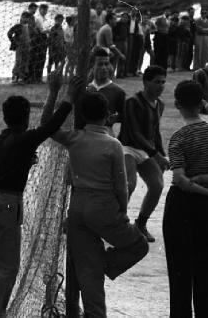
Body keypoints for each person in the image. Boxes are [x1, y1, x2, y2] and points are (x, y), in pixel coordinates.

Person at [0, 74, 81, 318]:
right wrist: (65, 95)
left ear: (4, 117)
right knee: (5, 266)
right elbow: (51, 126)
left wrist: (23, 163)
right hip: (7, 204)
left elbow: (2, 168)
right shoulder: (25, 139)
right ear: (25, 118)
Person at [46, 88, 149, 317]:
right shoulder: (112, 144)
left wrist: (57, 95)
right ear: (108, 116)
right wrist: (121, 211)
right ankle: (106, 263)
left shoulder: (74, 138)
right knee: (139, 245)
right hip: (102, 206)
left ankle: (94, 294)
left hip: (77, 205)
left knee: (89, 276)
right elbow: (121, 185)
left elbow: (48, 126)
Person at [163, 80, 208, 317]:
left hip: (181, 204)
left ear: (177, 104)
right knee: (205, 263)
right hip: (205, 207)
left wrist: (200, 186)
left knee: (179, 268)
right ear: (202, 103)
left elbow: (181, 179)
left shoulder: (179, 137)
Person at [118, 66, 170, 242]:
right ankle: (118, 224)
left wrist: (162, 156)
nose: (161, 86)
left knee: (157, 185)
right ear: (145, 82)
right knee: (128, 184)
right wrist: (156, 155)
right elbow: (135, 134)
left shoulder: (159, 104)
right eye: (157, 82)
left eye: (163, 82)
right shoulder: (132, 102)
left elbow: (155, 134)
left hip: (147, 150)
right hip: (128, 148)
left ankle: (141, 223)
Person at [77, 47, 126, 135]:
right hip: (85, 137)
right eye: (100, 64)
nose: (104, 67)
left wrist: (117, 118)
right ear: (92, 65)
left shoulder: (118, 92)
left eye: (106, 64)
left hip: (106, 137)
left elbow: (126, 116)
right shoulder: (85, 90)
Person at [8, 11, 31, 85]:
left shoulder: (28, 26)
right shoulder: (18, 26)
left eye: (28, 18)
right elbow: (9, 33)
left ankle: (21, 77)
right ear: (21, 17)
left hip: (27, 46)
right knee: (18, 61)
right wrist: (14, 42)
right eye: (25, 18)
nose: (27, 20)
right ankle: (14, 76)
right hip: (20, 46)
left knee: (24, 61)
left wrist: (30, 44)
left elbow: (29, 36)